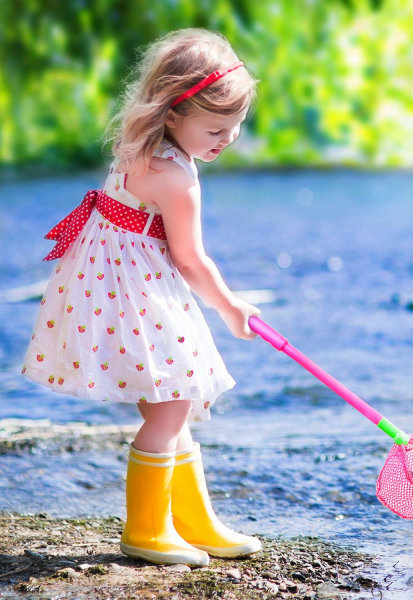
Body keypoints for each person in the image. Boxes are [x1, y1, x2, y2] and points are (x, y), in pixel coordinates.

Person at [21, 28, 262, 567]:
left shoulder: (142, 144)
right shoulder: (176, 177)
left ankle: (193, 521)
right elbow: (191, 259)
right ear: (172, 114)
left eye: (236, 125)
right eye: (217, 127)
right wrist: (231, 307)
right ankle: (148, 530)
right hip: (138, 288)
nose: (229, 138)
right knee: (172, 405)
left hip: (110, 283)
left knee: (170, 404)